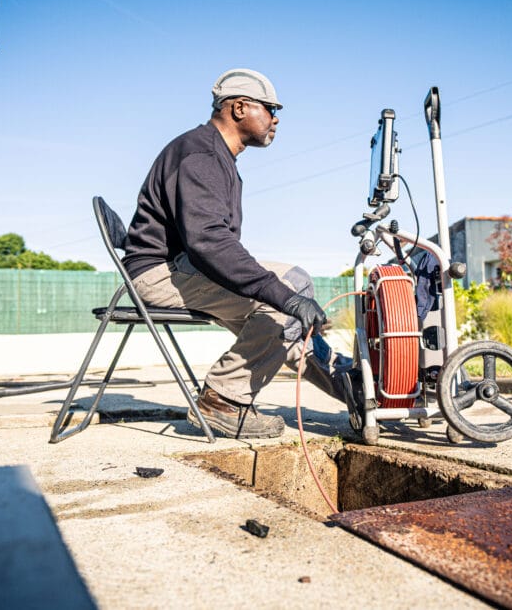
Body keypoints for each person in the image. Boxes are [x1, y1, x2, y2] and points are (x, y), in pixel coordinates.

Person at [122, 68, 354, 439]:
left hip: (184, 269)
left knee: (289, 307)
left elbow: (212, 246)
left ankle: (357, 391)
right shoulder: (200, 153)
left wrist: (290, 303)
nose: (276, 119)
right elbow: (209, 243)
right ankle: (222, 400)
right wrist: (285, 297)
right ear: (240, 107)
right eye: (271, 108)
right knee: (288, 291)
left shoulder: (218, 157)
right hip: (160, 274)